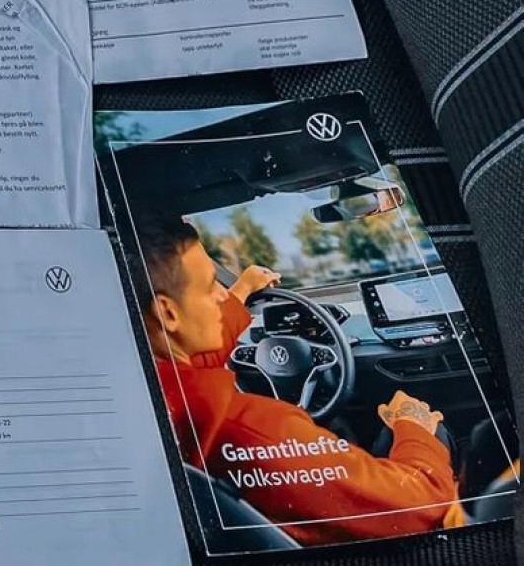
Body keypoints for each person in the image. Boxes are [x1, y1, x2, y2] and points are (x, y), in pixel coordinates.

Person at [138, 216, 463, 545]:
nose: (222, 296)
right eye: (211, 286)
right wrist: (413, 426)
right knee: (431, 434)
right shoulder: (257, 431)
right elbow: (416, 506)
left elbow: (197, 352)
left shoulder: (147, 390)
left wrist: (244, 288)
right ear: (168, 313)